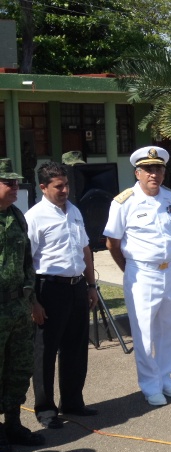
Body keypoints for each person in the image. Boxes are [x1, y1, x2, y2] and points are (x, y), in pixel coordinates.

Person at [103, 146, 171, 406]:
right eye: (148, 169)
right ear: (137, 173)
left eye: (159, 169)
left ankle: (165, 378)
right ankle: (150, 386)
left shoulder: (170, 198)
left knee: (170, 328)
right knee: (144, 332)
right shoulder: (124, 201)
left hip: (169, 269)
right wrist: (127, 269)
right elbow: (112, 243)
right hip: (141, 272)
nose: (154, 174)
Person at [25, 162, 99, 429]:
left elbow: (85, 250)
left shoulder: (74, 211)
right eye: (59, 186)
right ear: (43, 187)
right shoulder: (34, 217)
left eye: (67, 185)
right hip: (50, 289)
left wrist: (91, 286)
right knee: (45, 351)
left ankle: (73, 401)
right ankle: (46, 410)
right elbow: (27, 262)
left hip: (77, 286)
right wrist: (33, 301)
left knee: (76, 348)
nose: (65, 190)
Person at [0, 158, 45, 452]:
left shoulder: (17, 215)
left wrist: (29, 293)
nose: (16, 187)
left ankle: (13, 424)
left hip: (18, 306)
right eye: (8, 183)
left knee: (19, 368)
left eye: (16, 182)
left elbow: (28, 260)